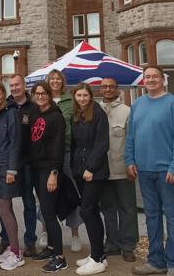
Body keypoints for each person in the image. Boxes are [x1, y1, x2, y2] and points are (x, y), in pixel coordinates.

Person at [125, 65, 174, 276]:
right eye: (147, 77)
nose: (151, 80)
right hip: (143, 170)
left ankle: (172, 262)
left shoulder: (171, 102)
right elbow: (131, 136)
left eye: (155, 76)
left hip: (167, 171)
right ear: (143, 80)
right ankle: (156, 261)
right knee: (152, 217)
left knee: (172, 217)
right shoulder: (137, 104)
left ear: (163, 79)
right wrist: (130, 160)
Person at [41, 69, 83, 253]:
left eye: (58, 79)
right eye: (52, 79)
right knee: (44, 195)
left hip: (66, 152)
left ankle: (75, 234)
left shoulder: (70, 101)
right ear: (48, 81)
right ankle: (44, 230)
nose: (55, 81)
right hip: (45, 155)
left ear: (62, 81)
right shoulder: (41, 100)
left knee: (71, 192)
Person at [0, 74, 38, 258]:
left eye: (17, 85)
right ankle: (6, 238)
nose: (14, 88)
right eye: (11, 85)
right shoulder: (4, 106)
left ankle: (30, 241)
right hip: (7, 163)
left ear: (24, 85)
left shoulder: (34, 107)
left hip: (27, 163)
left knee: (29, 202)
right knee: (5, 203)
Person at [28, 81, 67, 273]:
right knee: (45, 210)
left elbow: (58, 147)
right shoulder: (35, 113)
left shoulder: (56, 117)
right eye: (37, 93)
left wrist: (54, 173)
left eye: (44, 93)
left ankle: (60, 257)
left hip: (49, 170)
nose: (40, 96)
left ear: (50, 95)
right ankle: (51, 248)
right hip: (36, 168)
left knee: (49, 213)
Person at [71, 82, 109, 275]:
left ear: (90, 97)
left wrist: (90, 167)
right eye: (79, 96)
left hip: (95, 172)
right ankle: (98, 254)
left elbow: (102, 144)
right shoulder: (77, 115)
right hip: (80, 171)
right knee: (91, 211)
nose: (82, 99)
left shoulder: (99, 114)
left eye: (85, 96)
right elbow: (77, 145)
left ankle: (97, 259)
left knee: (87, 210)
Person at [99, 77, 138, 262]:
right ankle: (112, 243)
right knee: (107, 208)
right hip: (102, 170)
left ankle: (128, 245)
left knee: (127, 208)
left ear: (117, 89)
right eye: (104, 87)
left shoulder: (127, 111)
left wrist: (132, 163)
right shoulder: (95, 110)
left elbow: (131, 140)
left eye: (111, 87)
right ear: (100, 89)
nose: (107, 89)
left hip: (122, 168)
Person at [0, 81, 24, 271]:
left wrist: (11, 170)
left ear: (4, 94)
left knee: (3, 208)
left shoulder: (11, 114)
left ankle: (16, 252)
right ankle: (13, 248)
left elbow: (16, 143)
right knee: (4, 208)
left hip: (6, 170)